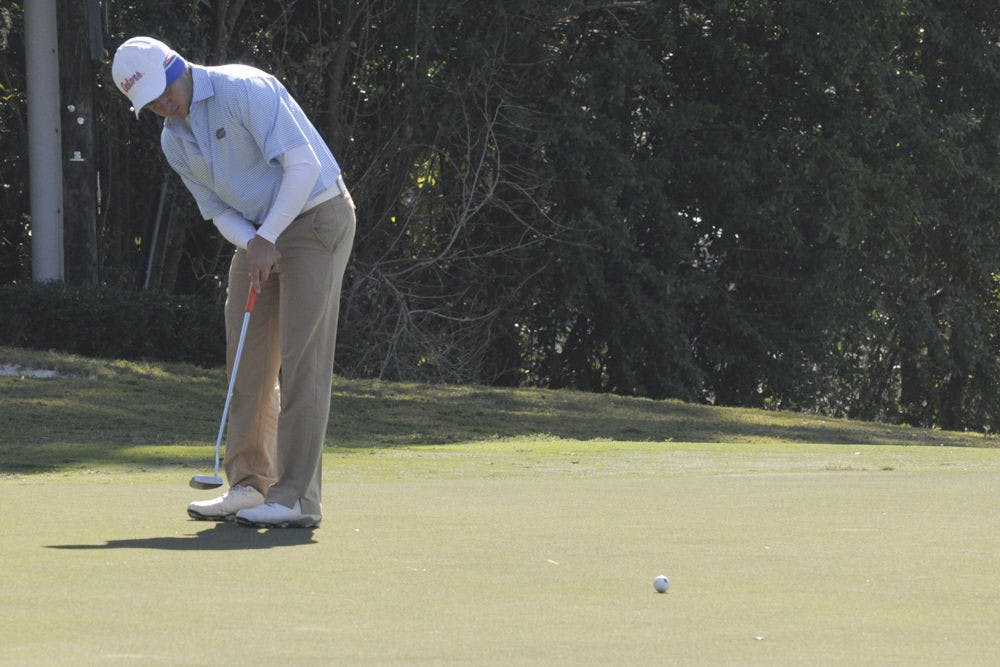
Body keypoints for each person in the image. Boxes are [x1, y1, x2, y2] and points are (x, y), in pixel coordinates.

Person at [112, 37, 356, 528]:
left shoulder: (244, 88)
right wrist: (256, 241)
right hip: (257, 235)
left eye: (163, 91)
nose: (162, 104)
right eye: (150, 102)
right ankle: (248, 485)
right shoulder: (173, 140)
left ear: (176, 65)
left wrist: (266, 236)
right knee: (247, 361)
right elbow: (218, 210)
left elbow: (303, 165)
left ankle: (295, 499)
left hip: (315, 217)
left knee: (301, 359)